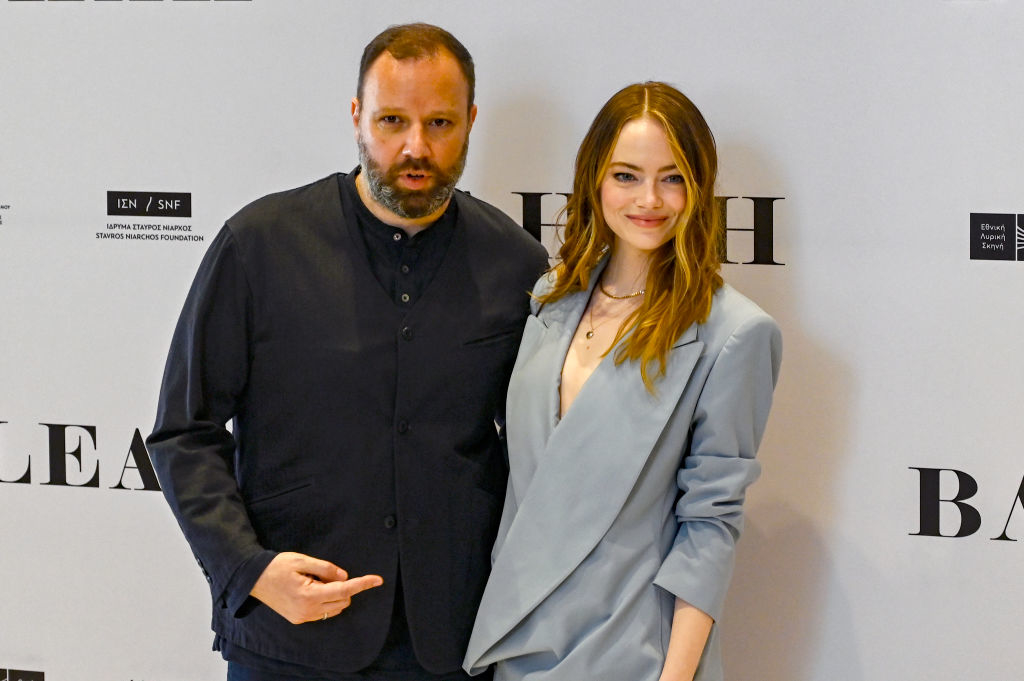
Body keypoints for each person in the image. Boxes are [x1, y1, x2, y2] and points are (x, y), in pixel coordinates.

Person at [146, 23, 548, 681]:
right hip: (288, 638)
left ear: (471, 121)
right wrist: (248, 569)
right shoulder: (259, 246)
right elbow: (181, 432)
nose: (415, 146)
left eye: (440, 122)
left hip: (452, 645)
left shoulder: (516, 263)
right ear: (357, 116)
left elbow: (541, 450)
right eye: (393, 119)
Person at [463, 82, 782, 681]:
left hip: (631, 651)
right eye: (628, 176)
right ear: (595, 181)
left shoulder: (734, 333)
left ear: (700, 188)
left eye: (673, 178)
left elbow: (709, 526)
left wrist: (676, 676)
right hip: (517, 641)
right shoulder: (549, 299)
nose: (650, 199)